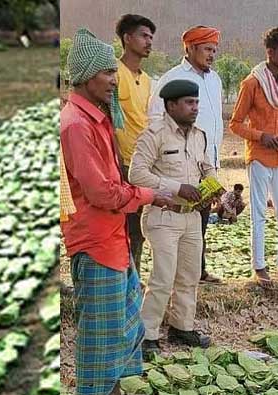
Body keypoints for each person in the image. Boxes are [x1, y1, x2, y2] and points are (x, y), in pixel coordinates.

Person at [61, 28, 172, 395]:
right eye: (108, 72)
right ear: (87, 75)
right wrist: (151, 194)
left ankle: (110, 393)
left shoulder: (97, 118)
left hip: (112, 237)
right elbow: (103, 192)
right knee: (99, 328)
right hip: (95, 240)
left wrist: (143, 195)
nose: (114, 80)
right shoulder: (77, 125)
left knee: (124, 317)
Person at [130, 78, 215, 355]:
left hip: (192, 216)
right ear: (171, 105)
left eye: (197, 102)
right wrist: (177, 188)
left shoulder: (200, 135)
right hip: (163, 215)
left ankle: (182, 327)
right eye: (189, 103)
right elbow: (136, 174)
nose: (195, 108)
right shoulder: (154, 134)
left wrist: (214, 187)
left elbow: (207, 167)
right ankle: (147, 335)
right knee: (163, 277)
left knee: (189, 276)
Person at [148, 26, 224, 284]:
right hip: (177, 164)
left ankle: (197, 272)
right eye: (207, 49)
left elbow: (214, 123)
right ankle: (170, 276)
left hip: (207, 162)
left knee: (199, 218)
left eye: (214, 50)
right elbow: (155, 120)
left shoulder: (215, 80)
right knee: (175, 218)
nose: (212, 55)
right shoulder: (172, 78)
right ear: (190, 48)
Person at [229, 27, 278, 284]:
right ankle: (259, 266)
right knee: (258, 212)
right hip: (258, 156)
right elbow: (235, 124)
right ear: (270, 52)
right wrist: (260, 136)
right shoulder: (252, 83)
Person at [114, 14, 157, 270]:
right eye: (144, 36)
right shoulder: (113, 73)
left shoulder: (148, 80)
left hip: (142, 163)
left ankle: (134, 277)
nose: (149, 41)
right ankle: (123, 278)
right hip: (120, 162)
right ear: (127, 38)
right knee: (121, 227)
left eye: (151, 37)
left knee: (138, 228)